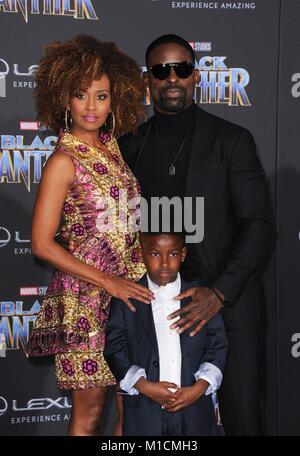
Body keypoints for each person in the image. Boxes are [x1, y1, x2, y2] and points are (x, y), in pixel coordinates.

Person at [118, 34, 273, 435]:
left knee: (242, 422)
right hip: (157, 316)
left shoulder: (232, 141)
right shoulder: (129, 146)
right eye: (161, 70)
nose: (172, 78)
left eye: (182, 68)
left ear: (196, 75)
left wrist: (218, 293)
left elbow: (259, 226)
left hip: (228, 308)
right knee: (155, 427)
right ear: (147, 80)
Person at [25, 34, 154, 436]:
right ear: (65, 99)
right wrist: (108, 282)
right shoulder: (64, 160)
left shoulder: (113, 150)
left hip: (129, 295)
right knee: (88, 414)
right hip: (86, 300)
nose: (92, 107)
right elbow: (41, 243)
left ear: (115, 99)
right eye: (82, 95)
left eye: (102, 96)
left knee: (129, 406)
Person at [104, 231, 228, 436]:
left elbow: (218, 346)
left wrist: (198, 389)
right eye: (154, 254)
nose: (163, 263)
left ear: (183, 254)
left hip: (194, 412)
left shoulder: (201, 298)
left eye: (172, 254)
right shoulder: (126, 298)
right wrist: (144, 385)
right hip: (144, 412)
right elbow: (114, 349)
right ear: (141, 253)